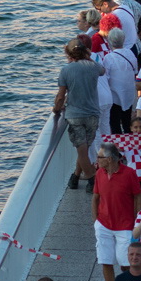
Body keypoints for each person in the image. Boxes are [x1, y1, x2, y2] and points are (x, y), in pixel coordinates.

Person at [93, 143, 141, 281]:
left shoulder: (129, 173)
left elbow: (138, 197)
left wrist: (139, 221)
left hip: (125, 226)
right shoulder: (99, 173)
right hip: (104, 225)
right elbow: (95, 197)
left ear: (110, 159)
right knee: (106, 262)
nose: (97, 159)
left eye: (100, 157)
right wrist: (95, 221)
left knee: (127, 264)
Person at [55, 37, 104, 192]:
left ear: (68, 54)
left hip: (75, 115)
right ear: (85, 51)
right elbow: (103, 70)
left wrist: (57, 108)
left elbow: (61, 96)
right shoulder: (93, 67)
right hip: (92, 114)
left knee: (81, 151)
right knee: (84, 149)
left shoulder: (66, 70)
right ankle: (75, 177)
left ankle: (93, 181)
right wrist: (88, 56)